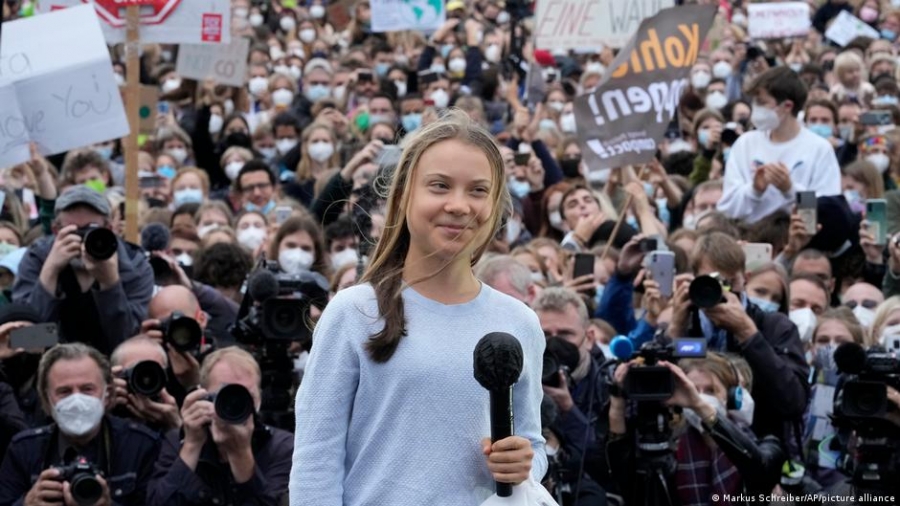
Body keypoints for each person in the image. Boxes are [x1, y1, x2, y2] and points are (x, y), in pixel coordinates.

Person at [290, 110, 547, 505]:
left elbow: (532, 442)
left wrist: (523, 461)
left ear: (495, 206)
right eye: (440, 186)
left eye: (478, 190)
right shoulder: (353, 312)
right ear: (404, 195)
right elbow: (315, 463)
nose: (459, 205)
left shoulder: (520, 322)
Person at [0, 343, 159, 506]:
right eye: (64, 392)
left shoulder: (140, 445)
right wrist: (27, 503)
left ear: (107, 394)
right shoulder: (24, 449)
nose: (76, 401)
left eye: (87, 389)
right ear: (46, 400)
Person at [12, 186, 154, 355]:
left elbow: (126, 341)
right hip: (48, 366)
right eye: (73, 230)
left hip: (113, 367)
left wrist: (110, 284)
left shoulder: (134, 264)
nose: (82, 238)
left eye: (90, 229)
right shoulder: (37, 258)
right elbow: (24, 340)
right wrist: (50, 271)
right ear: (56, 230)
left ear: (108, 229)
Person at [147, 347, 293, 506]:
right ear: (203, 396)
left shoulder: (282, 447)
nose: (236, 404)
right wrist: (192, 445)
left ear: (259, 398)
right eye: (226, 394)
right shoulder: (178, 441)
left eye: (246, 396)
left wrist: (241, 453)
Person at [717, 67, 841, 223]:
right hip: (751, 237)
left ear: (787, 106)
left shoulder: (819, 149)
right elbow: (727, 209)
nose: (755, 108)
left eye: (762, 102)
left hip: (802, 239)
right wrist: (755, 190)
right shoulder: (745, 144)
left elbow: (829, 211)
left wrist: (790, 189)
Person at [532, 287, 610, 493]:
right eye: (545, 334)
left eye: (566, 334)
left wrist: (568, 409)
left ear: (589, 338)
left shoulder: (608, 382)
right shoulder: (517, 383)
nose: (555, 343)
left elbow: (608, 465)